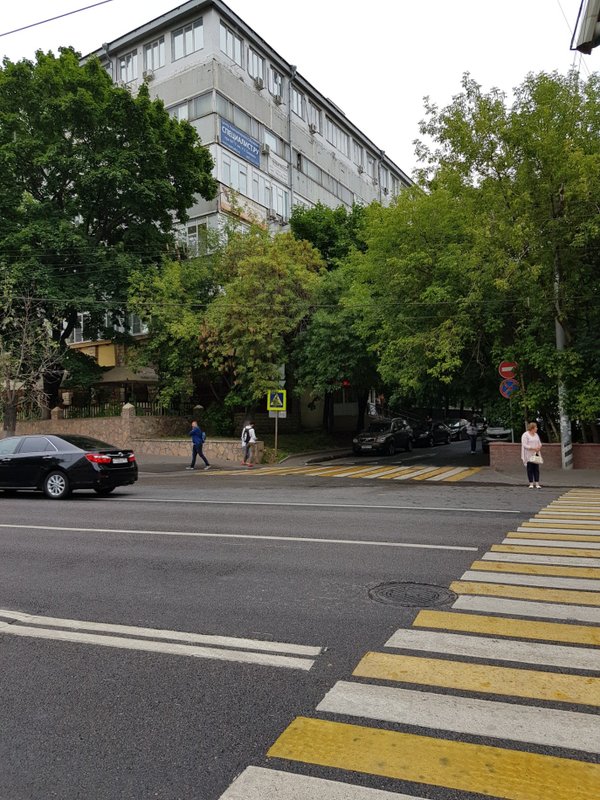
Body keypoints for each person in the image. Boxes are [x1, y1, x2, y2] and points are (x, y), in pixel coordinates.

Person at [521, 421, 542, 488]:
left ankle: (537, 483)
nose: (537, 428)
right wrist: (533, 448)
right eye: (536, 427)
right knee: (530, 469)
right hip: (528, 454)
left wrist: (539, 447)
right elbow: (524, 445)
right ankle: (531, 483)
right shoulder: (525, 435)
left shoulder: (536, 435)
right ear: (532, 428)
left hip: (536, 453)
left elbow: (539, 443)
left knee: (536, 469)